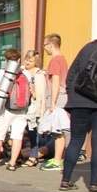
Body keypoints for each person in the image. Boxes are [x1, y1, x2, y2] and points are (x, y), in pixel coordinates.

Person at [59, 33, 97, 192]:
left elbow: (72, 73)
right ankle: (94, 185)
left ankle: (65, 181)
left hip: (79, 100)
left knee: (76, 140)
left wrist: (71, 95)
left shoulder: (89, 47)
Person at [0, 49, 32, 170]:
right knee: (17, 136)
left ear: (6, 60)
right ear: (19, 60)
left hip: (5, 109)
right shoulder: (26, 74)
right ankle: (12, 163)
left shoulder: (1, 73)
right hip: (22, 109)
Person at [41, 33, 69, 170]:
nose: (44, 48)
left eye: (45, 45)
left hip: (57, 97)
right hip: (61, 96)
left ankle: (58, 160)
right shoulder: (62, 59)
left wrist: (52, 102)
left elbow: (56, 81)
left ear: (51, 45)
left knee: (58, 131)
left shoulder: (55, 61)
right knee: (59, 131)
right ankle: (58, 158)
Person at [21, 50, 47, 167]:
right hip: (20, 106)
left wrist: (32, 90)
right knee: (20, 132)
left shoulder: (39, 75)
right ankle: (18, 155)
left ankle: (33, 156)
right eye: (26, 59)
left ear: (36, 62)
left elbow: (39, 96)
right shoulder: (21, 72)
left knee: (32, 132)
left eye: (30, 61)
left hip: (32, 107)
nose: (27, 62)